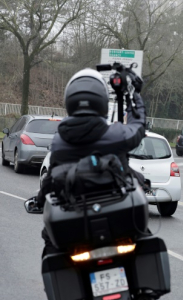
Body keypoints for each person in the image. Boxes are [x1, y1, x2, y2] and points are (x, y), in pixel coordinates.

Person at [31, 68, 146, 257]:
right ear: (101, 101)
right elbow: (138, 125)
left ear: (70, 102)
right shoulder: (116, 135)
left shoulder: (59, 141)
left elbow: (51, 178)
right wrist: (134, 95)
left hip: (75, 227)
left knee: (51, 243)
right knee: (142, 236)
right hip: (118, 222)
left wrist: (40, 199)